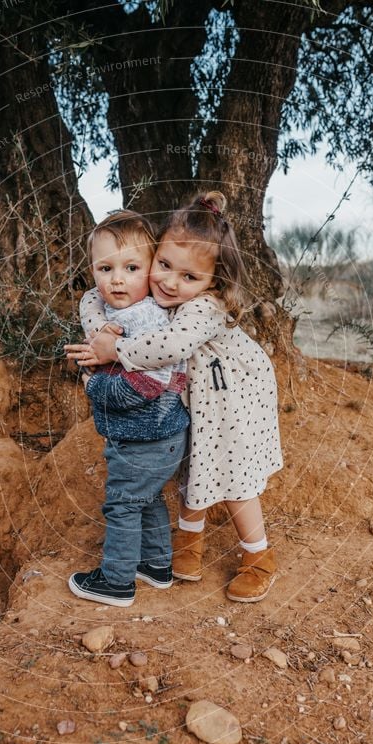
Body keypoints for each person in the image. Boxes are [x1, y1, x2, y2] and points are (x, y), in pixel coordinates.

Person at [75, 191, 283, 603]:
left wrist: (111, 350)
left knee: (235, 475)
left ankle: (259, 557)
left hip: (234, 396)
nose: (170, 281)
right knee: (193, 463)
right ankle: (188, 544)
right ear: (154, 256)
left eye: (189, 277)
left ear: (214, 283)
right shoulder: (153, 293)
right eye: (164, 265)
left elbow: (169, 347)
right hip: (197, 398)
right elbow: (90, 298)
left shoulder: (204, 308)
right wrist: (100, 327)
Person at [64, 210, 189, 607]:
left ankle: (116, 581)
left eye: (131, 267)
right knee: (146, 498)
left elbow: (148, 385)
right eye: (106, 268)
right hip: (160, 435)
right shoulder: (120, 314)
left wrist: (94, 383)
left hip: (145, 438)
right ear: (93, 270)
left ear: (151, 269)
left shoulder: (146, 319)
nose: (117, 279)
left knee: (122, 503)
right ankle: (156, 565)